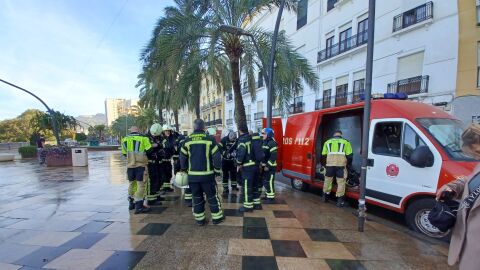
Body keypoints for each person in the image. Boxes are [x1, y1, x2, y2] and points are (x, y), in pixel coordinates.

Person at [436, 123, 480, 270]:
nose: (475, 157)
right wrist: (454, 186)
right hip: (468, 245)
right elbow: (471, 179)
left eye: (476, 153)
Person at [179, 119, 225, 225]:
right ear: (204, 127)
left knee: (196, 197)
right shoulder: (209, 139)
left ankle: (200, 220)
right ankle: (217, 218)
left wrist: (184, 169)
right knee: (212, 196)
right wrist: (217, 171)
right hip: (207, 176)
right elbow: (217, 156)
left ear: (194, 127)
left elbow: (182, 157)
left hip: (193, 177)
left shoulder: (187, 139)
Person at [121, 126, 153, 214]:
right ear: (138, 130)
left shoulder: (124, 139)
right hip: (140, 166)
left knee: (132, 184)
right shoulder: (143, 138)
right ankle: (139, 206)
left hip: (130, 166)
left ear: (130, 131)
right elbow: (149, 150)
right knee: (141, 185)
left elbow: (124, 153)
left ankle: (131, 203)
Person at [321, 130, 353, 207]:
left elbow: (323, 155)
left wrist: (325, 165)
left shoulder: (327, 142)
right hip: (341, 166)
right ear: (341, 135)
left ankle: (325, 198)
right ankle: (339, 202)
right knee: (341, 183)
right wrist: (348, 165)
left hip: (329, 166)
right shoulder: (346, 142)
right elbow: (350, 156)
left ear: (334, 135)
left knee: (327, 181)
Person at [236, 126, 258, 212]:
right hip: (255, 166)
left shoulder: (243, 140)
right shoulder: (253, 138)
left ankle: (248, 206)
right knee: (255, 185)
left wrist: (238, 163)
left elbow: (241, 153)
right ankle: (257, 204)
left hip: (247, 167)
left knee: (247, 187)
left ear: (240, 131)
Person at [145, 123, 164, 205]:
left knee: (159, 179)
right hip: (150, 162)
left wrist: (158, 145)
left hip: (158, 161)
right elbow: (146, 149)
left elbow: (161, 145)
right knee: (152, 180)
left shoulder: (159, 136)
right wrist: (153, 146)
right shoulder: (146, 137)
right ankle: (151, 199)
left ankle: (156, 195)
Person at [261, 128, 278, 204]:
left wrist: (268, 166)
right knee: (265, 181)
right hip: (265, 166)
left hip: (271, 167)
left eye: (264, 133)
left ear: (269, 134)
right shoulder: (264, 142)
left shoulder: (272, 143)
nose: (262, 135)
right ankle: (268, 195)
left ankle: (271, 198)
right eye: (262, 133)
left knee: (270, 181)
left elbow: (273, 156)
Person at [219, 131, 238, 195]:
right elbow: (219, 148)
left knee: (234, 174)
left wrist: (235, 153)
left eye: (234, 140)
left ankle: (234, 186)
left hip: (233, 160)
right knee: (225, 175)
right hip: (225, 161)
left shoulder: (236, 141)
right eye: (232, 140)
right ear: (229, 137)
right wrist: (224, 153)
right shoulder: (224, 140)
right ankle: (225, 188)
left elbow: (238, 148)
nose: (233, 141)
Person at [250, 131, 264, 210]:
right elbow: (261, 156)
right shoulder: (260, 142)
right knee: (256, 184)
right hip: (258, 167)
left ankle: (252, 202)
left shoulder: (253, 143)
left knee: (252, 185)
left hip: (253, 167)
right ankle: (257, 203)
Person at [160, 125, 175, 192]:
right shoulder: (161, 139)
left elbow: (172, 148)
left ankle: (167, 187)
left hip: (168, 160)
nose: (168, 132)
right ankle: (163, 188)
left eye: (169, 131)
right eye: (166, 131)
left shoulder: (171, 138)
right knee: (163, 175)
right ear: (163, 131)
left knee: (169, 174)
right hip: (162, 161)